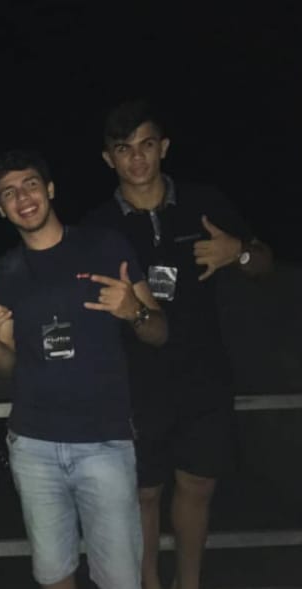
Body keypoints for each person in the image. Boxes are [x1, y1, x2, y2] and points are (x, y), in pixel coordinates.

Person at [83, 98, 274, 589]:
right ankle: (149, 583)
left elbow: (263, 263)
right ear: (108, 158)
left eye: (146, 145)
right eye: (124, 149)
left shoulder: (204, 202)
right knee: (143, 494)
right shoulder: (97, 227)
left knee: (198, 485)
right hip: (135, 384)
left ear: (164, 147)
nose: (137, 158)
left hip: (205, 373)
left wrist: (239, 252)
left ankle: (188, 583)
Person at [0, 149, 168, 589]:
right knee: (53, 575)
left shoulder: (105, 246)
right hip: (34, 446)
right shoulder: (4, 272)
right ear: (0, 209)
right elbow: (7, 367)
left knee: (121, 579)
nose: (22, 198)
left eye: (30, 185)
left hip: (104, 442)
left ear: (49, 189)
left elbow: (159, 332)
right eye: (9, 193)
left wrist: (135, 311)